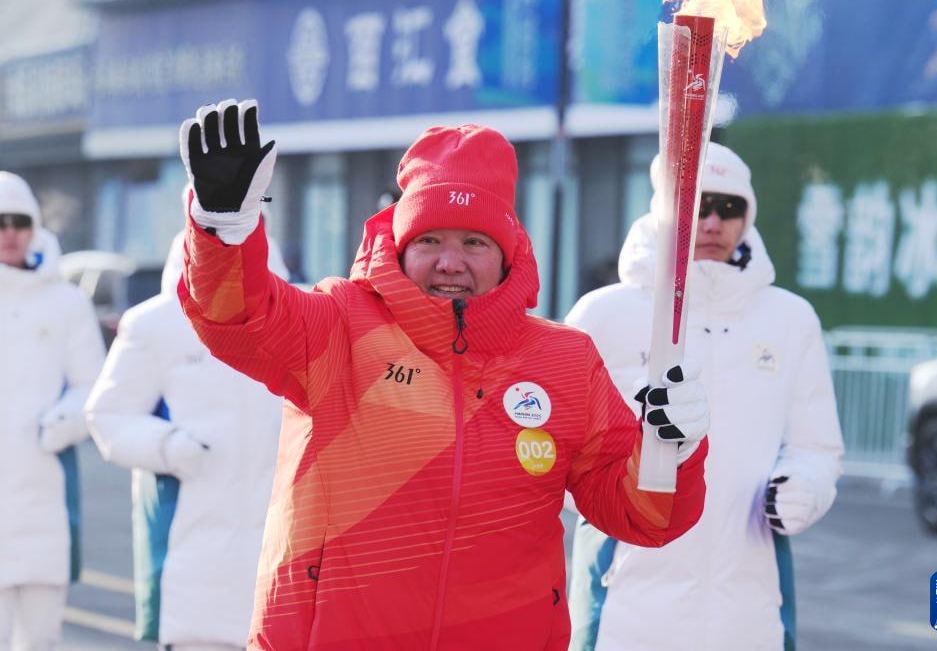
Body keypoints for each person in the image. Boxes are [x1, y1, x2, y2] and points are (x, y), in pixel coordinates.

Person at [173, 99, 710, 650]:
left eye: (474, 242)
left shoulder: (564, 361)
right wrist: (223, 230)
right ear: (401, 246)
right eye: (429, 240)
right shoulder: (338, 327)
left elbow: (646, 516)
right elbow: (234, 316)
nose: (450, 262)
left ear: (507, 252)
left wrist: (674, 449)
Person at [565, 144, 845, 651]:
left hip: (751, 604)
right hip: (625, 601)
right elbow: (562, 456)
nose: (714, 222)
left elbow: (818, 447)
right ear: (667, 210)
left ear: (748, 215)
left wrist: (806, 486)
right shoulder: (604, 314)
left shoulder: (789, 319)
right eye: (700, 206)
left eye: (730, 208)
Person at [84, 190, 290, 651]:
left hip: (284, 549)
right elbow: (107, 414)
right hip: (192, 543)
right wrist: (168, 446)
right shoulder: (156, 321)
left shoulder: (298, 309)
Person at [0, 172, 105, 651]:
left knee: (40, 639)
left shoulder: (66, 303)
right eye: (0, 222)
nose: (9, 233)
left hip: (44, 495)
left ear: (35, 226)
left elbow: (95, 386)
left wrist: (61, 422)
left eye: (19, 222)